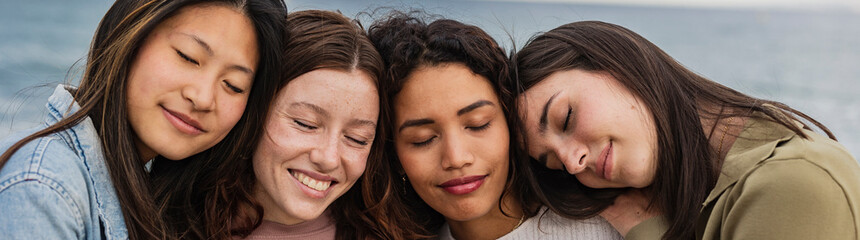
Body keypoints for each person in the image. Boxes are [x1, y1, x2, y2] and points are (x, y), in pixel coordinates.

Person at [514, 20, 860, 240]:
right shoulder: (699, 194)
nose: (573, 163)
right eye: (554, 164)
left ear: (618, 63)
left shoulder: (795, 184)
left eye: (567, 117)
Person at [0, 0, 287, 239]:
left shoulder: (149, 196)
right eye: (187, 57)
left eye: (233, 85)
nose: (202, 98)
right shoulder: (45, 188)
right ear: (131, 37)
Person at [365, 12, 622, 240]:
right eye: (422, 139)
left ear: (512, 123)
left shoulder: (616, 223)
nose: (456, 158)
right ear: (394, 155)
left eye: (478, 125)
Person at [152, 9, 389, 239]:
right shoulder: (154, 218)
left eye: (357, 138)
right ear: (254, 110)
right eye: (305, 124)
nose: (328, 158)